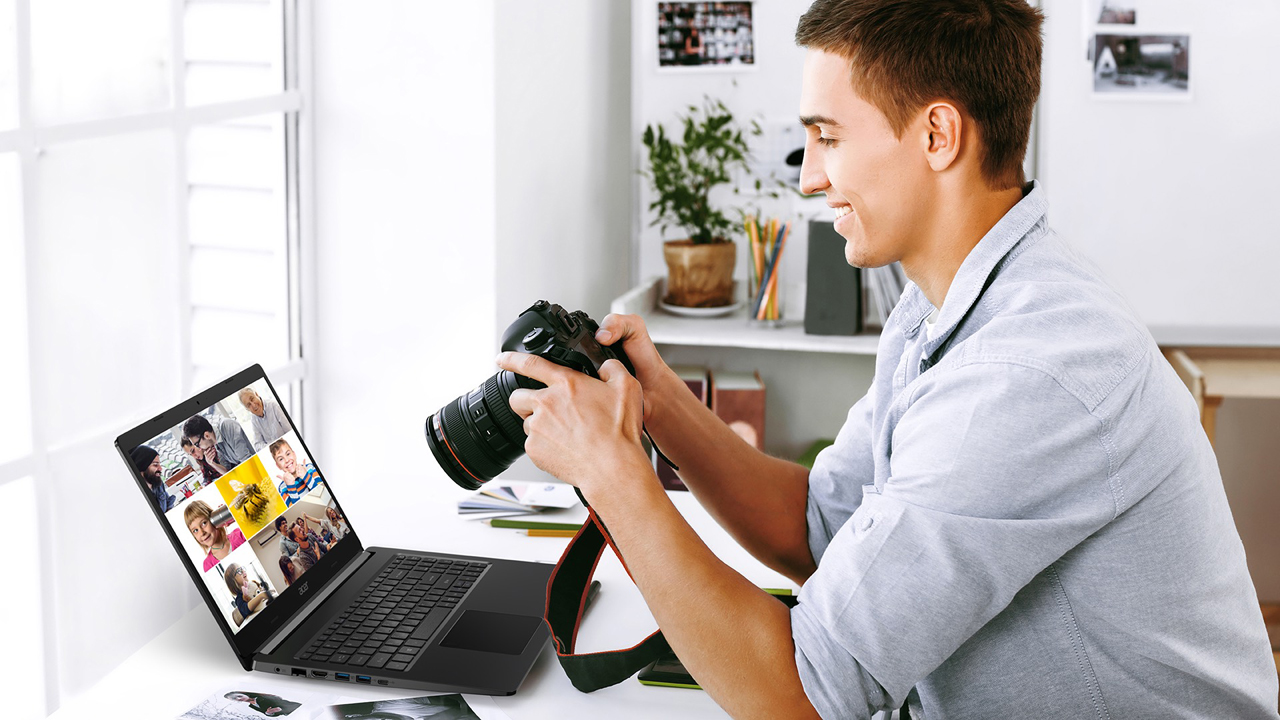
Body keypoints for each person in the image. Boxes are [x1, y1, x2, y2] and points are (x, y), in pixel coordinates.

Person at [492, 1, 1279, 718]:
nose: (809, 176)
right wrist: (660, 404)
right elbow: (817, 528)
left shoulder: (1029, 371)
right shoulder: (943, 305)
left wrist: (611, 471)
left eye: (828, 136)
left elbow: (798, 697)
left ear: (938, 135)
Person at [184, 499, 246, 572]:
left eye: (204, 523)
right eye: (195, 530)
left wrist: (233, 516)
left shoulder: (240, 535)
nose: (201, 533)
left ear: (213, 517)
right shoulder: (208, 565)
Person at [183, 413, 254, 470]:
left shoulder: (227, 426)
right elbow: (227, 470)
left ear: (206, 435)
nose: (200, 448)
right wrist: (212, 463)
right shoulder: (215, 443)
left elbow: (247, 461)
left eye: (197, 444)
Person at [270, 438, 321, 507]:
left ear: (294, 454)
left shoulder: (310, 468)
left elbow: (321, 491)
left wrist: (306, 476)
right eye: (281, 459)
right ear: (278, 466)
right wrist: (290, 486)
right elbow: (297, 508)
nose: (287, 460)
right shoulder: (282, 488)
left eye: (288, 454)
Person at [130, 445, 175, 513]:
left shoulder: (157, 482)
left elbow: (168, 502)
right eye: (155, 465)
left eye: (159, 464)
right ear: (143, 467)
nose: (160, 468)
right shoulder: (137, 497)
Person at [224, 690, 300, 717]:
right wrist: (269, 713)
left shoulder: (262, 697)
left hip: (294, 707)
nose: (239, 699)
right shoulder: (252, 706)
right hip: (290, 714)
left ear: (244, 693)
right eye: (235, 699)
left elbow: (279, 702)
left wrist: (279, 709)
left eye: (239, 696)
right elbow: (266, 713)